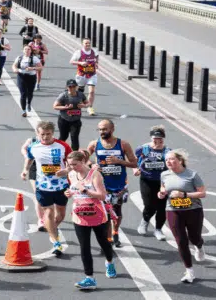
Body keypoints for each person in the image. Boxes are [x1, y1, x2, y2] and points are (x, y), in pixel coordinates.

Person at [64, 150, 116, 290]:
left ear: (82, 161)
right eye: (70, 164)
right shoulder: (71, 174)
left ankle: (109, 262)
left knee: (103, 243)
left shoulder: (95, 174)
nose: (72, 167)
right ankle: (89, 278)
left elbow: (102, 196)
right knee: (84, 247)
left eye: (75, 164)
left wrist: (85, 191)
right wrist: (68, 192)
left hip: (97, 215)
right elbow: (73, 190)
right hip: (80, 215)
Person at [22, 121, 72, 257]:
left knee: (60, 215)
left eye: (48, 134)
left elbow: (72, 163)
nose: (45, 137)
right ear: (38, 134)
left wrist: (66, 170)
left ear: (53, 133)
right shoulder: (34, 147)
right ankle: (56, 241)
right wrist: (25, 170)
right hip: (43, 186)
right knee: (49, 213)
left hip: (61, 186)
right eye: (42, 134)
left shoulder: (63, 146)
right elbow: (29, 159)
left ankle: (52, 229)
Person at [85, 119, 136, 247]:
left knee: (117, 211)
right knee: (105, 212)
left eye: (105, 129)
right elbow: (84, 160)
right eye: (100, 129)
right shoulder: (94, 144)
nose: (102, 132)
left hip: (119, 185)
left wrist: (119, 161)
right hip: (101, 185)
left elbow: (135, 163)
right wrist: (92, 165)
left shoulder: (123, 144)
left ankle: (115, 231)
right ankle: (108, 239)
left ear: (112, 129)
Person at [158, 149, 207, 283]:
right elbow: (163, 188)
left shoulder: (192, 175)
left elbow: (202, 193)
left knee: (194, 237)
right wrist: (161, 193)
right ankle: (189, 271)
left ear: (180, 160)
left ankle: (199, 246)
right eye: (166, 159)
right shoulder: (164, 174)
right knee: (181, 241)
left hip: (193, 210)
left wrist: (184, 195)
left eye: (172, 159)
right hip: (173, 210)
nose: (168, 161)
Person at [134, 126, 170, 241]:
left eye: (160, 139)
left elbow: (173, 165)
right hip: (147, 180)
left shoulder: (168, 151)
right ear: (151, 138)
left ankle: (158, 229)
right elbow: (133, 159)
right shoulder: (143, 149)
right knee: (149, 205)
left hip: (163, 182)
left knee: (161, 207)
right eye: (155, 139)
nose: (158, 142)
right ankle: (144, 221)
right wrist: (135, 169)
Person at [53, 79, 88, 151]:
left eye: (74, 86)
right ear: (67, 87)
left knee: (74, 137)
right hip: (64, 120)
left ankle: (75, 155)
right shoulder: (63, 95)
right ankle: (58, 151)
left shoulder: (81, 95)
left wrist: (83, 105)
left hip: (76, 120)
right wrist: (65, 107)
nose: (72, 88)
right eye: (70, 87)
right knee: (63, 137)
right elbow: (55, 106)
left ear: (76, 87)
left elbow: (88, 103)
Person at [70, 38, 98, 115]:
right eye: (86, 43)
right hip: (81, 75)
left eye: (89, 43)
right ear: (82, 44)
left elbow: (96, 57)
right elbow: (71, 61)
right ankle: (77, 106)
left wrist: (96, 63)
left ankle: (90, 107)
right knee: (80, 91)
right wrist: (80, 63)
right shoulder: (78, 52)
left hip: (92, 74)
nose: (88, 45)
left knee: (91, 91)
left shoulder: (94, 51)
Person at [13, 44, 42, 118]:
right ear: (23, 50)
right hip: (21, 76)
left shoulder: (34, 58)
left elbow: (40, 67)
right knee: (23, 94)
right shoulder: (19, 58)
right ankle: (23, 110)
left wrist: (32, 68)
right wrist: (15, 69)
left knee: (30, 92)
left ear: (31, 51)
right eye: (25, 49)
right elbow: (14, 65)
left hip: (31, 77)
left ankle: (29, 103)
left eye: (28, 49)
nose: (27, 51)